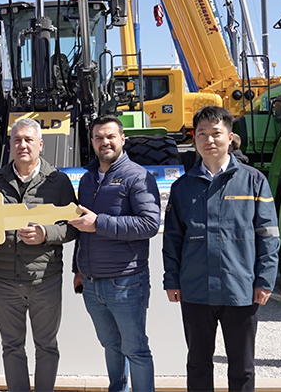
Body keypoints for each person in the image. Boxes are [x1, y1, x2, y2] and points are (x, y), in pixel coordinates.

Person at [163, 106, 279, 392]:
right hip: (195, 289)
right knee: (198, 363)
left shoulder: (253, 181)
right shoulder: (182, 187)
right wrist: (171, 280)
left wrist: (264, 281)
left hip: (240, 289)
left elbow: (268, 236)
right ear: (194, 139)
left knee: (242, 366)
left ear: (230, 137)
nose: (209, 140)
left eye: (216, 133)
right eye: (202, 134)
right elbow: (173, 239)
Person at [0, 118, 78, 392]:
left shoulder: (58, 181)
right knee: (11, 346)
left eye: (28, 140)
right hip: (4, 280)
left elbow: (73, 227)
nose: (22, 145)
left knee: (46, 346)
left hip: (44, 280)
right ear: (10, 144)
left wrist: (46, 234)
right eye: (17, 140)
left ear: (40, 144)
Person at [69, 115, 160, 392]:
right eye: (98, 137)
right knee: (111, 345)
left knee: (136, 349)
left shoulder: (137, 176)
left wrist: (99, 223)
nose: (104, 142)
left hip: (126, 282)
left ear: (122, 139)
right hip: (92, 282)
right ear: (92, 142)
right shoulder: (87, 179)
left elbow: (149, 224)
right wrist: (78, 268)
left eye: (110, 136)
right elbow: (82, 227)